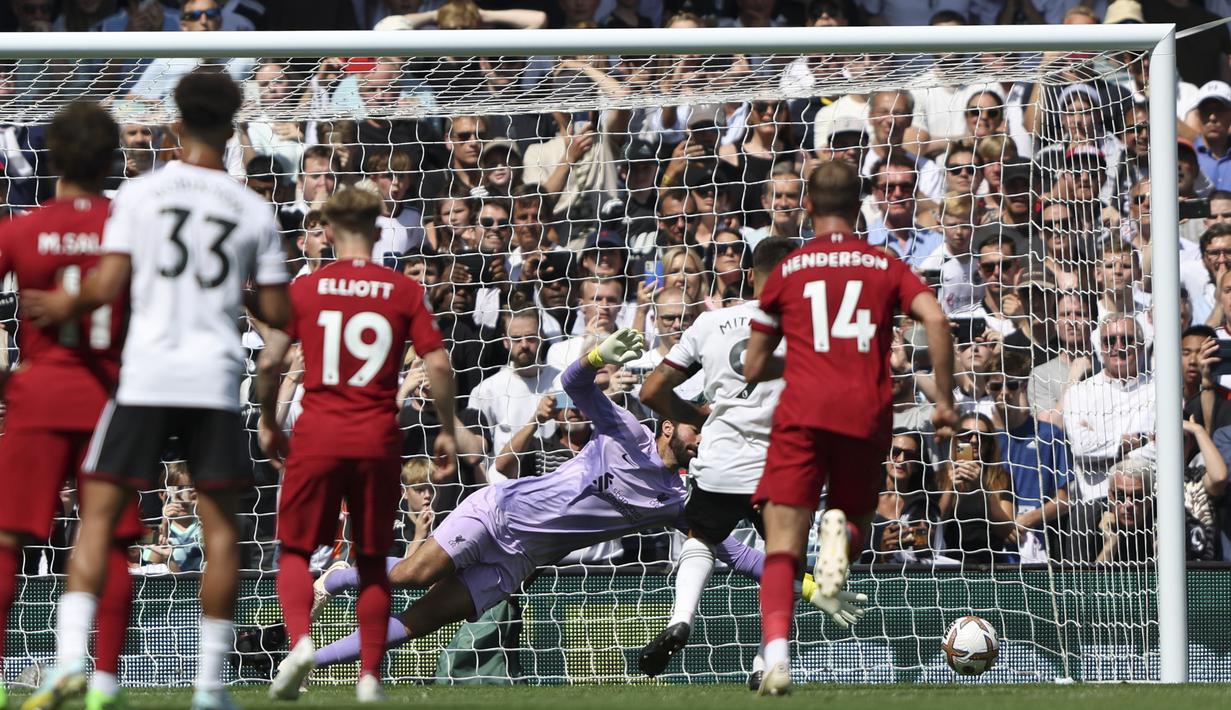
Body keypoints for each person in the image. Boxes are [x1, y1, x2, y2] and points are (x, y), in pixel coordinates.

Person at [301, 329, 840, 673]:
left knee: (415, 625)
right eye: (699, 430)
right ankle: (346, 574)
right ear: (671, 425)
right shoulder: (624, 429)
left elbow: (735, 553)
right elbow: (573, 383)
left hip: (521, 561)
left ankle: (307, 662)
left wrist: (808, 581)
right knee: (412, 578)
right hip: (497, 513)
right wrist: (599, 355)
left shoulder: (678, 499)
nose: (703, 440)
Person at [21, 70, 291, 710]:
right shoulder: (253, 207)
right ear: (231, 130)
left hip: (145, 374)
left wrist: (63, 300)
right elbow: (277, 308)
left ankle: (68, 665)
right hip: (216, 377)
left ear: (174, 126)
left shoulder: (140, 194)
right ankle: (210, 688)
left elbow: (107, 283)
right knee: (223, 532)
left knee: (99, 519)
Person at [742, 160, 957, 695]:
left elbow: (751, 365)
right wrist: (947, 400)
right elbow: (935, 317)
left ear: (807, 205)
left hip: (803, 413)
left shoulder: (788, 269)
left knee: (782, 545)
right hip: (866, 410)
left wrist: (809, 357)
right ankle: (843, 541)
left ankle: (775, 655)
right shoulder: (884, 263)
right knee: (856, 519)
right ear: (861, 205)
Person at [255, 187, 458, 703]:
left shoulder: (307, 288)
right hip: (376, 435)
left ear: (325, 229)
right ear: (377, 227)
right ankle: (369, 678)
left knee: (297, 550)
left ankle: (299, 640)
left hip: (318, 432)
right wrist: (449, 426)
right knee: (371, 558)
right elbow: (436, 362)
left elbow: (270, 359)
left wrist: (267, 420)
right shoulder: (402, 289)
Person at [636, 236, 867, 684]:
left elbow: (650, 392)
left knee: (700, 538)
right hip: (783, 469)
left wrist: (696, 414)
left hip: (720, 461)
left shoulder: (711, 323)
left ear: (753, 275)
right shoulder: (816, 329)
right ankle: (766, 664)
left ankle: (680, 619)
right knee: (782, 562)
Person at [0, 101, 144, 710]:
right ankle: (104, 680)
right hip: (113, 398)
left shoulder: (20, 229)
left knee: (7, 539)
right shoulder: (133, 227)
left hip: (36, 396)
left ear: (50, 154)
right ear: (113, 155)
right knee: (109, 540)